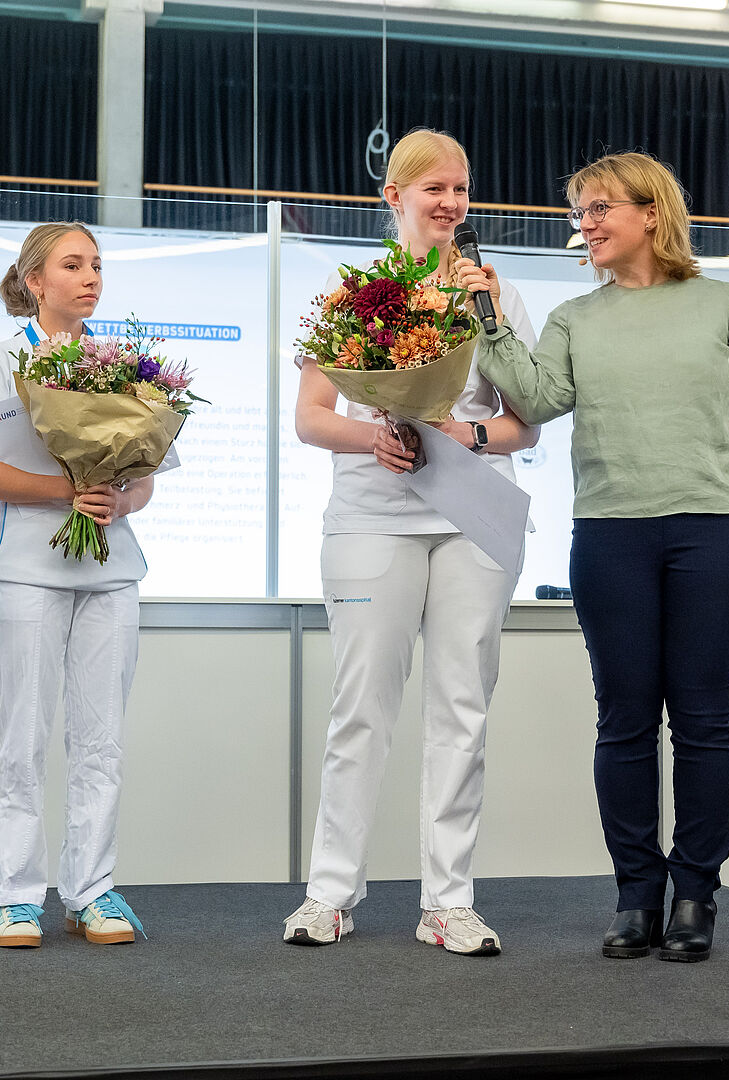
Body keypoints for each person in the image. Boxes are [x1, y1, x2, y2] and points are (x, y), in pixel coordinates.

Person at [466, 151, 729, 963]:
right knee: (622, 724)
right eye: (578, 213)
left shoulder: (722, 305)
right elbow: (538, 398)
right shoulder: (574, 318)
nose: (583, 225)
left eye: (597, 209)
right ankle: (635, 897)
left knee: (701, 723)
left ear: (650, 212)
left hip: (711, 534)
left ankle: (694, 895)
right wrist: (486, 317)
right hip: (610, 536)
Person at [283, 129, 540, 955]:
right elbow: (311, 417)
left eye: (460, 188)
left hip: (472, 519)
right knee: (359, 709)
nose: (451, 203)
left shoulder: (493, 294)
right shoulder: (349, 292)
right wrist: (375, 438)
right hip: (371, 518)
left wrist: (466, 435)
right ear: (393, 197)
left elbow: (525, 421)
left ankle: (448, 903)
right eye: (434, 188)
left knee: (461, 708)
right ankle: (329, 894)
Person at [0, 222, 152, 949]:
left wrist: (117, 500)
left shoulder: (125, 365)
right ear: (34, 281)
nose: (90, 276)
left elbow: (144, 480)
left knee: (101, 742)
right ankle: (15, 897)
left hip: (111, 573)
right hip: (25, 574)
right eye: (72, 265)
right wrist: (67, 490)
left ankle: (91, 891)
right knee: (23, 739)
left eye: (96, 264)